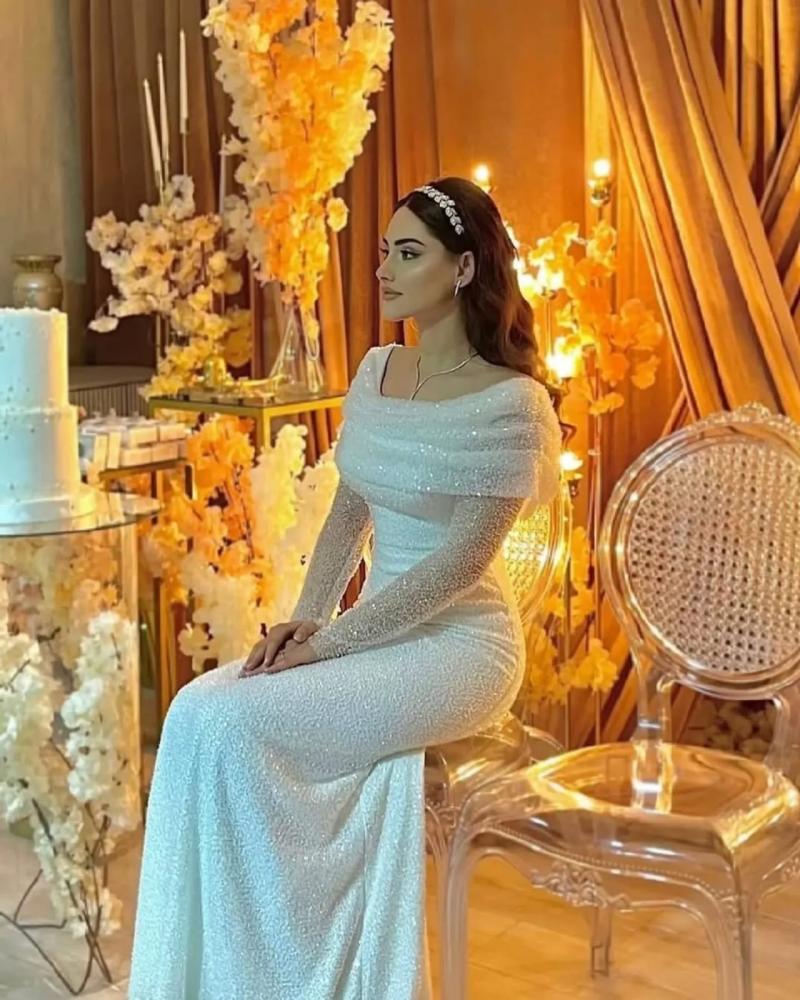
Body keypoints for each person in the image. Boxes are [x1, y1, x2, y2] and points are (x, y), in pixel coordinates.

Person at [128, 177, 562, 999]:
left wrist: (331, 645)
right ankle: (210, 977)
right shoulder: (377, 371)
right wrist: (305, 620)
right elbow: (348, 514)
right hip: (368, 631)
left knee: (235, 725)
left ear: (465, 268)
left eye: (409, 253)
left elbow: (458, 566)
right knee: (192, 714)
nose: (384, 270)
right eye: (384, 253)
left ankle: (297, 976)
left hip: (461, 651)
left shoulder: (514, 404)